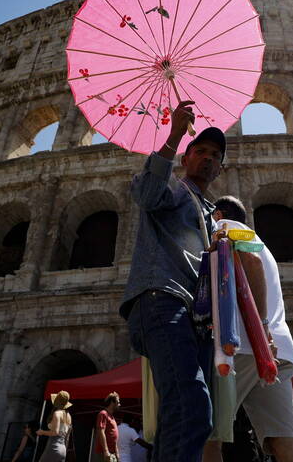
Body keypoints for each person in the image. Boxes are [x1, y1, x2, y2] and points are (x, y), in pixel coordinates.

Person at [121, 100, 225, 462]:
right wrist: (175, 135)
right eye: (200, 151)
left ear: (220, 167)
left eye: (215, 155)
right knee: (193, 404)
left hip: (193, 317)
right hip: (161, 300)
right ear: (186, 158)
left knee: (176, 415)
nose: (208, 158)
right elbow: (147, 194)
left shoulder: (209, 211)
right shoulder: (175, 189)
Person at [203, 196, 293, 462]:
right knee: (288, 440)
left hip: (246, 344)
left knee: (207, 435)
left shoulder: (223, 225)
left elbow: (251, 262)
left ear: (217, 214)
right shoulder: (264, 245)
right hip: (279, 351)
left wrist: (261, 330)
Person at [36, 391, 72, 462]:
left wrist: (42, 432)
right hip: (63, 449)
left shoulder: (57, 413)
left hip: (53, 447)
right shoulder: (69, 416)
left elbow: (55, 432)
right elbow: (67, 437)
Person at [91, 393, 119, 462]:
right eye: (118, 402)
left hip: (112, 453)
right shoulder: (103, 414)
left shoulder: (112, 417)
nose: (119, 404)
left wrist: (117, 452)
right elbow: (101, 432)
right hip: (104, 453)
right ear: (112, 402)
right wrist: (106, 451)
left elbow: (114, 437)